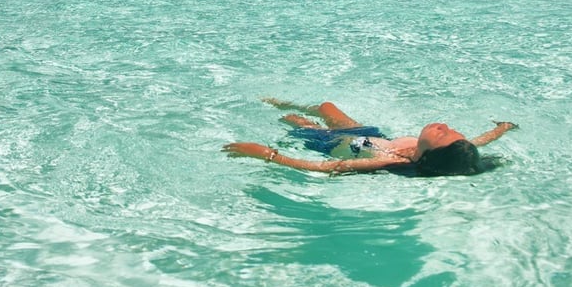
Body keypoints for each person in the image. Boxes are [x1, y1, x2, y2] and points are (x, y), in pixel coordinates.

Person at [222, 98, 518, 176]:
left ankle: (283, 109)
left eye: (444, 134)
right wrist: (501, 128)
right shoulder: (453, 150)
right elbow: (479, 143)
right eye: (453, 131)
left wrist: (268, 155)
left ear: (431, 155)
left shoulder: (386, 164)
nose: (445, 126)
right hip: (368, 136)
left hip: (332, 144)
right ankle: (287, 103)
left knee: (294, 121)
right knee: (326, 106)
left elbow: (327, 168)